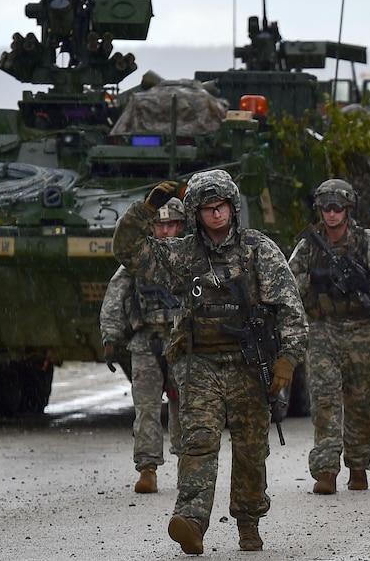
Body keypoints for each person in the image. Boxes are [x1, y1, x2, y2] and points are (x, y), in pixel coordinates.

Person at [113, 170, 307, 555]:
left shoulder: (259, 250)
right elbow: (129, 252)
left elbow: (290, 309)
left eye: (220, 207)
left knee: (251, 449)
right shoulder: (184, 253)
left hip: (249, 366)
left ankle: (248, 521)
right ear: (195, 214)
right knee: (197, 443)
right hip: (199, 364)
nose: (215, 215)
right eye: (206, 209)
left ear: (232, 207)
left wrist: (288, 358)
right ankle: (191, 520)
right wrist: (145, 210)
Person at [287, 179, 370, 494]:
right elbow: (285, 283)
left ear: (348, 209)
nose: (331, 213)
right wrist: (316, 279)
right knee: (325, 399)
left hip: (361, 332)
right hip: (323, 329)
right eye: (325, 207)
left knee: (361, 403)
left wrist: (366, 284)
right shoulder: (311, 245)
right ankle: (326, 470)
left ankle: (358, 464)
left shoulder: (368, 243)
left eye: (337, 207)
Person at [100, 198, 187, 494]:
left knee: (186, 408)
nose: (166, 231)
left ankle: (187, 464)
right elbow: (116, 294)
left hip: (184, 342)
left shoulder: (192, 257)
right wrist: (110, 337)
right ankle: (147, 468)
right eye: (160, 225)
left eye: (172, 224)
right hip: (146, 341)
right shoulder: (140, 258)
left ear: (182, 225)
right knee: (147, 409)